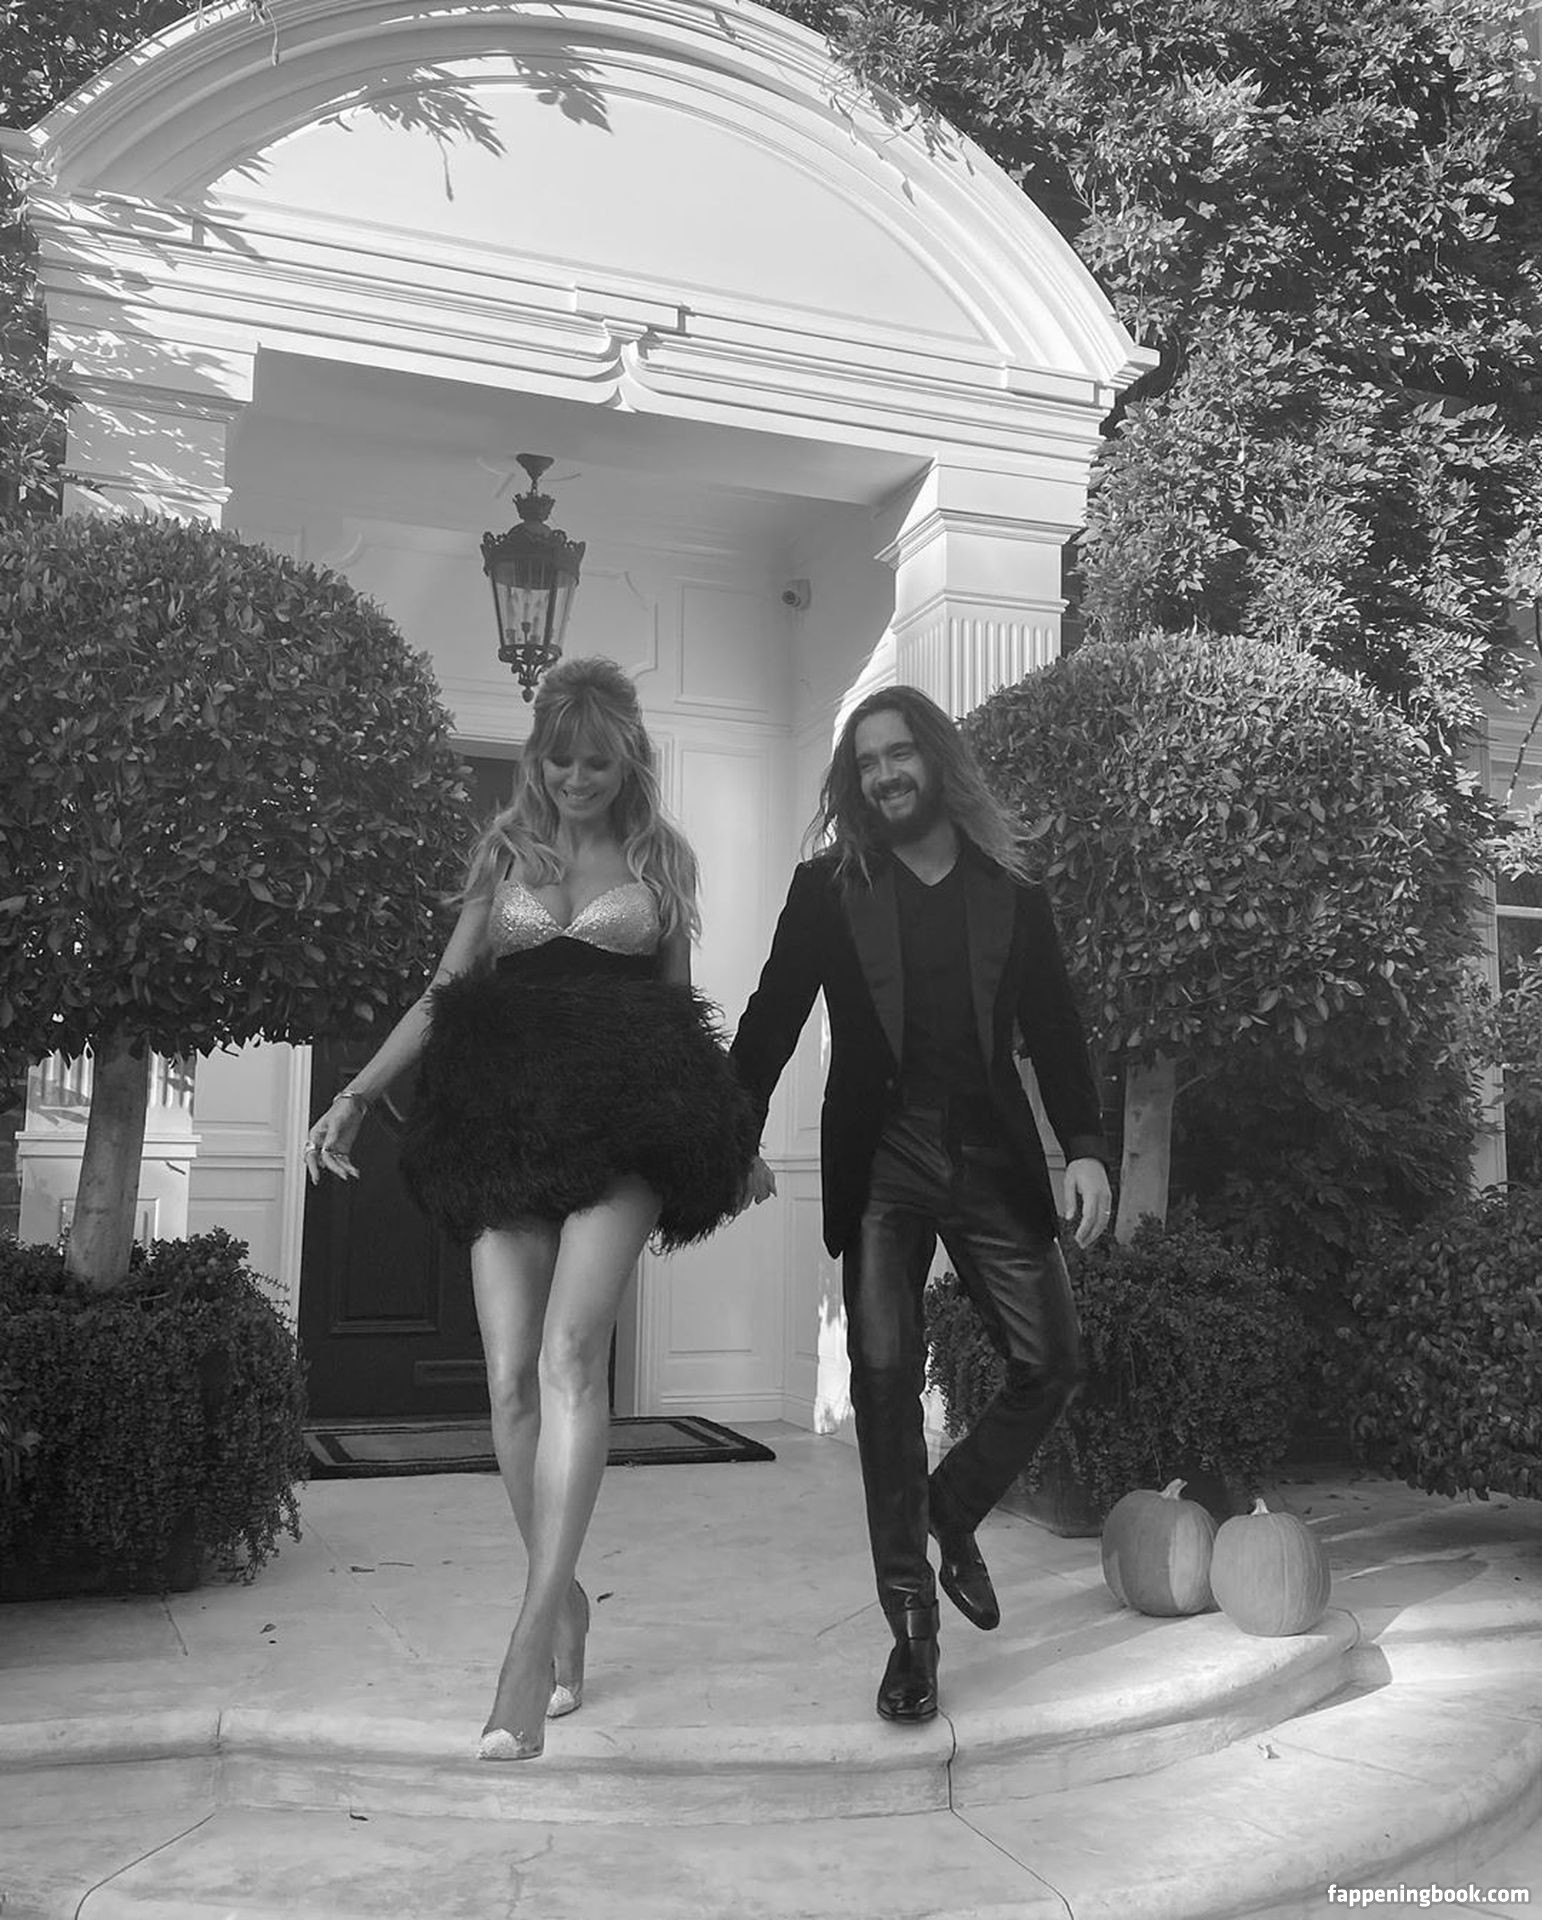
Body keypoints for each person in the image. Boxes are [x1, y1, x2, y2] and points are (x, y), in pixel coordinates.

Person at [304, 656, 755, 1762]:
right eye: (560, 760)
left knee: (568, 1357)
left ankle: (526, 1637)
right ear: (538, 757)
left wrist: (732, 1139)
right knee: (507, 1381)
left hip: (627, 1127)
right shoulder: (504, 853)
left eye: (597, 762)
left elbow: (679, 1016)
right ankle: (567, 1602)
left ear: (626, 760)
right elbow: (444, 994)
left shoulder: (661, 858)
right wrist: (356, 1095)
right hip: (506, 1125)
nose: (576, 779)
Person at [731, 685, 1111, 1725]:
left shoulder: (1011, 890)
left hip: (989, 1156)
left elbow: (1056, 1027)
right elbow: (771, 1017)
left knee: (1052, 1362)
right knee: (887, 1385)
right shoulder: (828, 888)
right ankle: (912, 1631)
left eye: (898, 754)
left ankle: (951, 1504)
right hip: (882, 1162)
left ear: (936, 758)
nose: (884, 775)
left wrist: (1085, 1148)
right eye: (866, 764)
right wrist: (729, 1134)